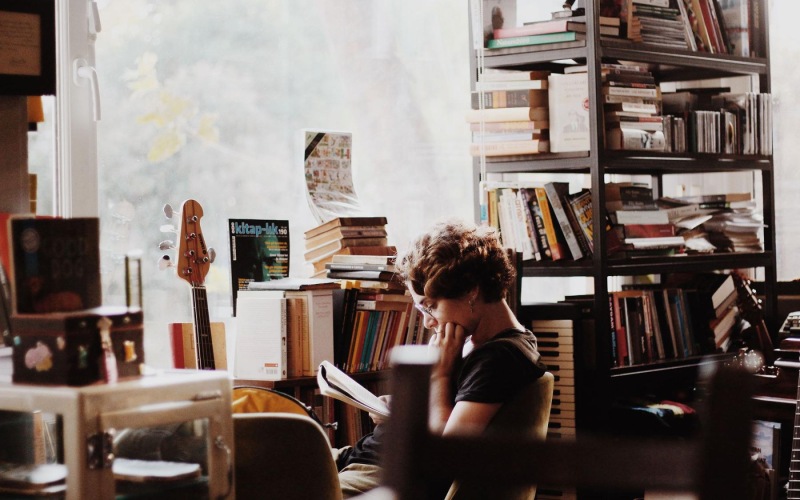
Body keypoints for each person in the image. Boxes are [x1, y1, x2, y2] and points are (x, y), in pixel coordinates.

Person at [333, 218, 547, 498]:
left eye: (431, 307)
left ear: (471, 289)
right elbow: (449, 411)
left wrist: (440, 375)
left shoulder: (499, 358)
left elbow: (445, 456)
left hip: (379, 475)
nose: (428, 323)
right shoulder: (483, 345)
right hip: (363, 461)